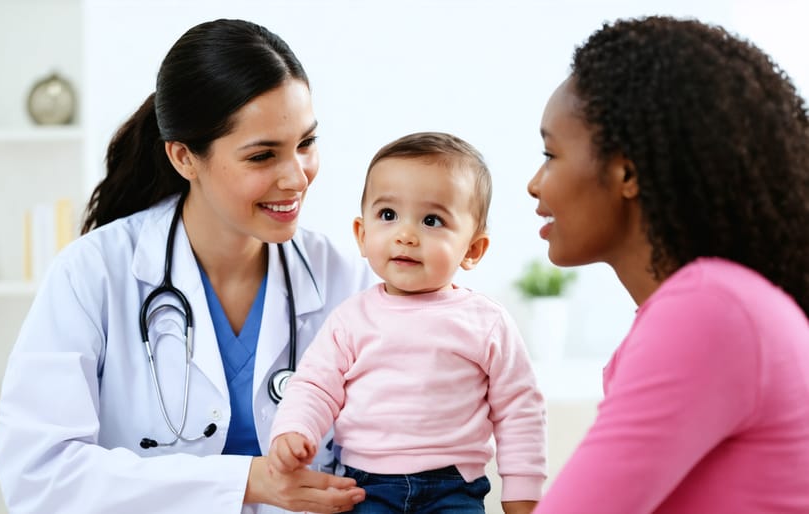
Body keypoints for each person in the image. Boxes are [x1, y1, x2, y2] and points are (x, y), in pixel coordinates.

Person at [0, 19, 376, 514]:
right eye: (262, 156)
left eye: (305, 143)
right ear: (183, 157)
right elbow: (40, 474)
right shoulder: (94, 274)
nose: (296, 176)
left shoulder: (347, 276)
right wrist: (243, 481)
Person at [527, 16, 809, 514]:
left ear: (627, 171)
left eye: (551, 153)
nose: (534, 183)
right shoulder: (708, 308)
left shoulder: (710, 309)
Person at [268, 132, 547, 514]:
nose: (406, 234)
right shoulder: (350, 320)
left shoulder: (486, 323)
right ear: (362, 235)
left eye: (432, 220)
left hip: (453, 489)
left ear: (473, 249)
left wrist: (522, 494)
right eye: (388, 215)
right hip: (366, 488)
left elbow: (520, 410)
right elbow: (315, 386)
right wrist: (294, 431)